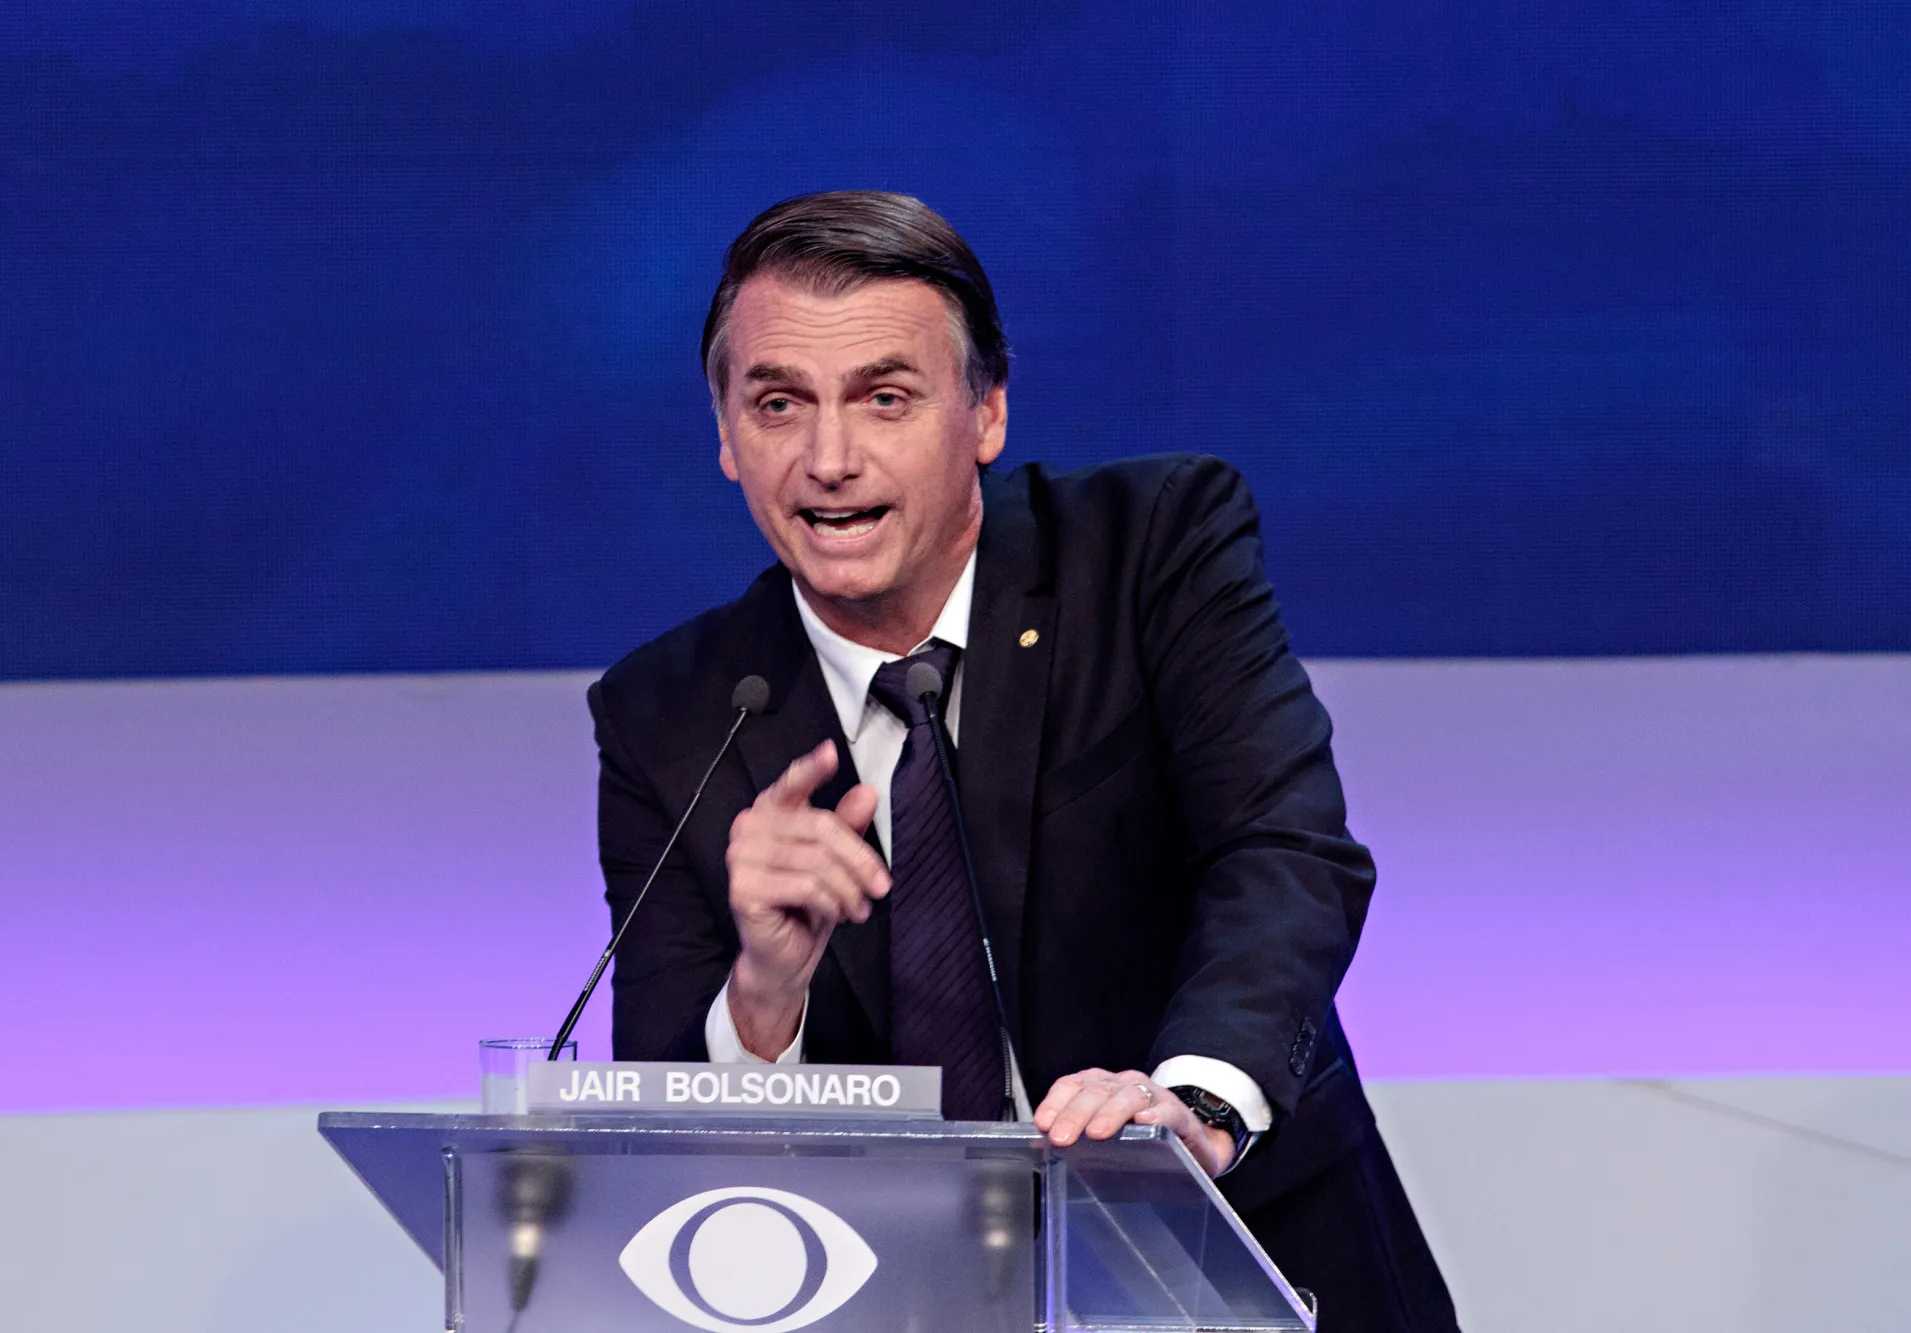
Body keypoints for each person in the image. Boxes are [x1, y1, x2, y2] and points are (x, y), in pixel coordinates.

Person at [589, 190, 1457, 1330]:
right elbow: (654, 1132)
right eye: (777, 403)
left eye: (884, 398)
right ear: (724, 437)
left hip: (1231, 1273)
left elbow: (1281, 849)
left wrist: (1191, 1098)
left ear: (986, 411)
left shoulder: (1150, 549)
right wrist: (763, 996)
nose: (828, 459)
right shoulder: (674, 711)